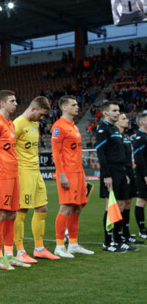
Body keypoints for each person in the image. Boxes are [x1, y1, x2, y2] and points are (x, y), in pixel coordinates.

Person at [0, 90, 28, 270]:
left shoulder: (10, 124)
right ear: (2, 103)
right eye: (12, 101)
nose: (16, 103)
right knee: (0, 213)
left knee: (12, 213)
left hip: (12, 173)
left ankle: (9, 255)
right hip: (1, 174)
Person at [50, 96, 94, 257]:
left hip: (78, 173)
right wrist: (61, 174)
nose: (77, 107)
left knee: (77, 207)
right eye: (74, 105)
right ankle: (59, 246)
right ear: (64, 108)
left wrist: (82, 174)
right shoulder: (59, 126)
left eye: (77, 104)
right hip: (67, 172)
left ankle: (73, 244)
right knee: (66, 207)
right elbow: (56, 152)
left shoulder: (73, 126)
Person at [13, 96, 51, 263]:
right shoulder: (18, 124)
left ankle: (39, 248)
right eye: (41, 115)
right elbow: (7, 148)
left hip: (36, 172)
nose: (41, 119)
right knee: (22, 211)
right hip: (23, 172)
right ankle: (20, 251)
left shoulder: (35, 125)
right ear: (33, 109)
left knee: (42, 208)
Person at [95, 101, 131, 252]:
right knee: (111, 206)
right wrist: (106, 175)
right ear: (106, 113)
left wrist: (125, 173)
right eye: (114, 110)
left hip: (121, 171)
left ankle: (118, 239)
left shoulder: (115, 129)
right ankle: (107, 242)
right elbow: (101, 154)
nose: (118, 112)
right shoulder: (103, 130)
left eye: (118, 110)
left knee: (121, 205)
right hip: (111, 172)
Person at [117, 112, 141, 246]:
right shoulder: (115, 136)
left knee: (128, 203)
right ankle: (118, 234)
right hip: (122, 172)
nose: (127, 120)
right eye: (123, 118)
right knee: (119, 204)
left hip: (129, 171)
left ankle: (126, 233)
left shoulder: (126, 136)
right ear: (116, 122)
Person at [131, 110, 147, 239]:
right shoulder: (139, 138)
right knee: (141, 200)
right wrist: (145, 175)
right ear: (142, 122)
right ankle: (142, 230)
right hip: (143, 174)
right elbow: (139, 159)